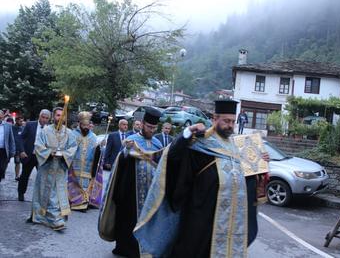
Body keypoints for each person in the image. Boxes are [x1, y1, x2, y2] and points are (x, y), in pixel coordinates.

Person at [133, 100, 269, 257]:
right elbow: (173, 158)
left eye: (233, 121)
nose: (230, 125)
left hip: (228, 222)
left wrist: (259, 163)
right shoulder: (199, 142)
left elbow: (242, 179)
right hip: (201, 219)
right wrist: (186, 134)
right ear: (214, 119)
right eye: (226, 121)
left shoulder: (236, 147)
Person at [99, 107, 163, 257]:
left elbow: (162, 166)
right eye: (149, 127)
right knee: (127, 219)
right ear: (142, 124)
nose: (152, 130)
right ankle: (124, 247)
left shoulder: (158, 144)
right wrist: (127, 152)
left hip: (149, 191)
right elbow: (120, 162)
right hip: (129, 189)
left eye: (154, 128)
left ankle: (142, 248)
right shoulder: (131, 140)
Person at [30, 107, 77, 230]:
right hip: (47, 167)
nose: (60, 118)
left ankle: (55, 218)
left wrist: (64, 155)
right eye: (57, 115)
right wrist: (49, 153)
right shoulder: (45, 131)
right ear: (53, 117)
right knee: (45, 192)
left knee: (57, 193)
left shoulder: (69, 133)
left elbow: (73, 148)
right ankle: (46, 217)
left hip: (60, 168)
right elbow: (38, 145)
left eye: (62, 115)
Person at [68, 111, 103, 210]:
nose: (86, 127)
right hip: (74, 167)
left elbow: (98, 154)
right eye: (84, 125)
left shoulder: (94, 137)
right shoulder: (72, 134)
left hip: (88, 168)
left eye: (88, 125)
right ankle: (74, 202)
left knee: (85, 186)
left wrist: (101, 147)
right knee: (73, 185)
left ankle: (83, 203)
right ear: (79, 124)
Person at [17, 109, 51, 201]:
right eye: (43, 117)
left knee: (43, 178)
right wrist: (22, 151)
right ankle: (21, 193)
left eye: (46, 118)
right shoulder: (30, 124)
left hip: (42, 157)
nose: (44, 120)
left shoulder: (50, 129)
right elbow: (21, 138)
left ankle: (41, 197)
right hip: (29, 155)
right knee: (25, 176)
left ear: (49, 119)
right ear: (39, 116)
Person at [0, 110, 16, 182]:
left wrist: (12, 151)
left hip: (4, 150)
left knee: (2, 168)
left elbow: (11, 139)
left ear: (3, 117)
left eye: (0, 117)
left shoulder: (8, 125)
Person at [12, 116, 24, 181]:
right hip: (15, 148)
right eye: (20, 121)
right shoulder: (12, 128)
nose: (21, 122)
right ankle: (17, 176)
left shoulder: (23, 128)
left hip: (22, 149)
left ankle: (23, 175)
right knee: (17, 162)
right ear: (16, 121)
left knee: (25, 162)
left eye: (22, 121)